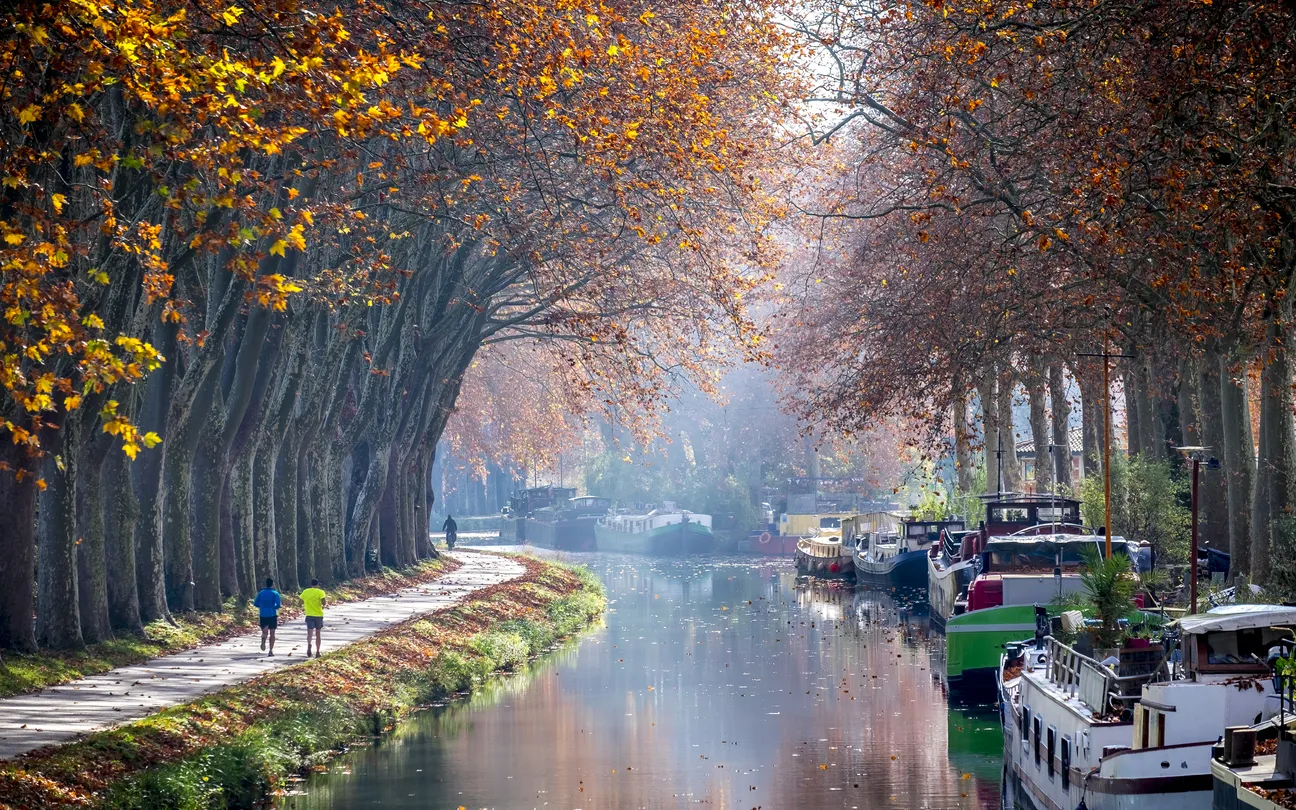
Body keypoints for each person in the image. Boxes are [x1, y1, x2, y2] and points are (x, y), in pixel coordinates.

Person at [254, 577, 282, 656]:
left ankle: (263, 638)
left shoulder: (261, 593)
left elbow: (255, 603)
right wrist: (274, 607)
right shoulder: (275, 593)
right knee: (272, 633)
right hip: (272, 614)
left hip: (263, 614)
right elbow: (278, 605)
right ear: (272, 584)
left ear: (265, 584)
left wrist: (262, 606)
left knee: (265, 631)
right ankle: (270, 650)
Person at [300, 579, 327, 658]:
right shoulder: (320, 592)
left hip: (309, 615)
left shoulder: (305, 591)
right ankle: (318, 651)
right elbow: (324, 603)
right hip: (318, 615)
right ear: (318, 584)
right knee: (318, 633)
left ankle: (309, 644)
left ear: (311, 584)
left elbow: (300, 602)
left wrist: (307, 603)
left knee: (310, 632)